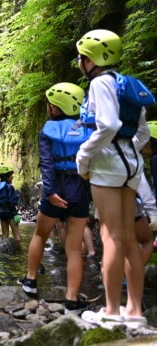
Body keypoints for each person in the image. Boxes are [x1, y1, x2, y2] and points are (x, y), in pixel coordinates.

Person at [75, 29, 151, 327]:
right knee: (129, 238)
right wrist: (127, 150)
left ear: (91, 60)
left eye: (81, 57)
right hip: (131, 165)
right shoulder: (126, 84)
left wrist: (83, 156)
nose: (80, 62)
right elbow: (141, 132)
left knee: (111, 237)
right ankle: (135, 312)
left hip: (107, 167)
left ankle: (110, 310)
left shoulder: (100, 84)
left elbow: (107, 124)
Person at [17, 82, 91, 315]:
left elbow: (47, 164)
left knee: (40, 233)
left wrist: (50, 192)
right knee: (73, 248)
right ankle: (71, 298)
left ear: (55, 108)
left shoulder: (47, 131)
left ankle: (30, 280)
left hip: (55, 190)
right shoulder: (88, 130)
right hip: (79, 191)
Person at [0, 165, 20, 240]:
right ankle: (19, 250)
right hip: (10, 212)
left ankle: (3, 249)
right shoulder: (9, 187)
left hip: (0, 212)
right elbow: (11, 201)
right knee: (16, 233)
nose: (12, 177)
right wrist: (15, 214)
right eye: (11, 175)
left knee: (4, 234)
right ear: (7, 177)